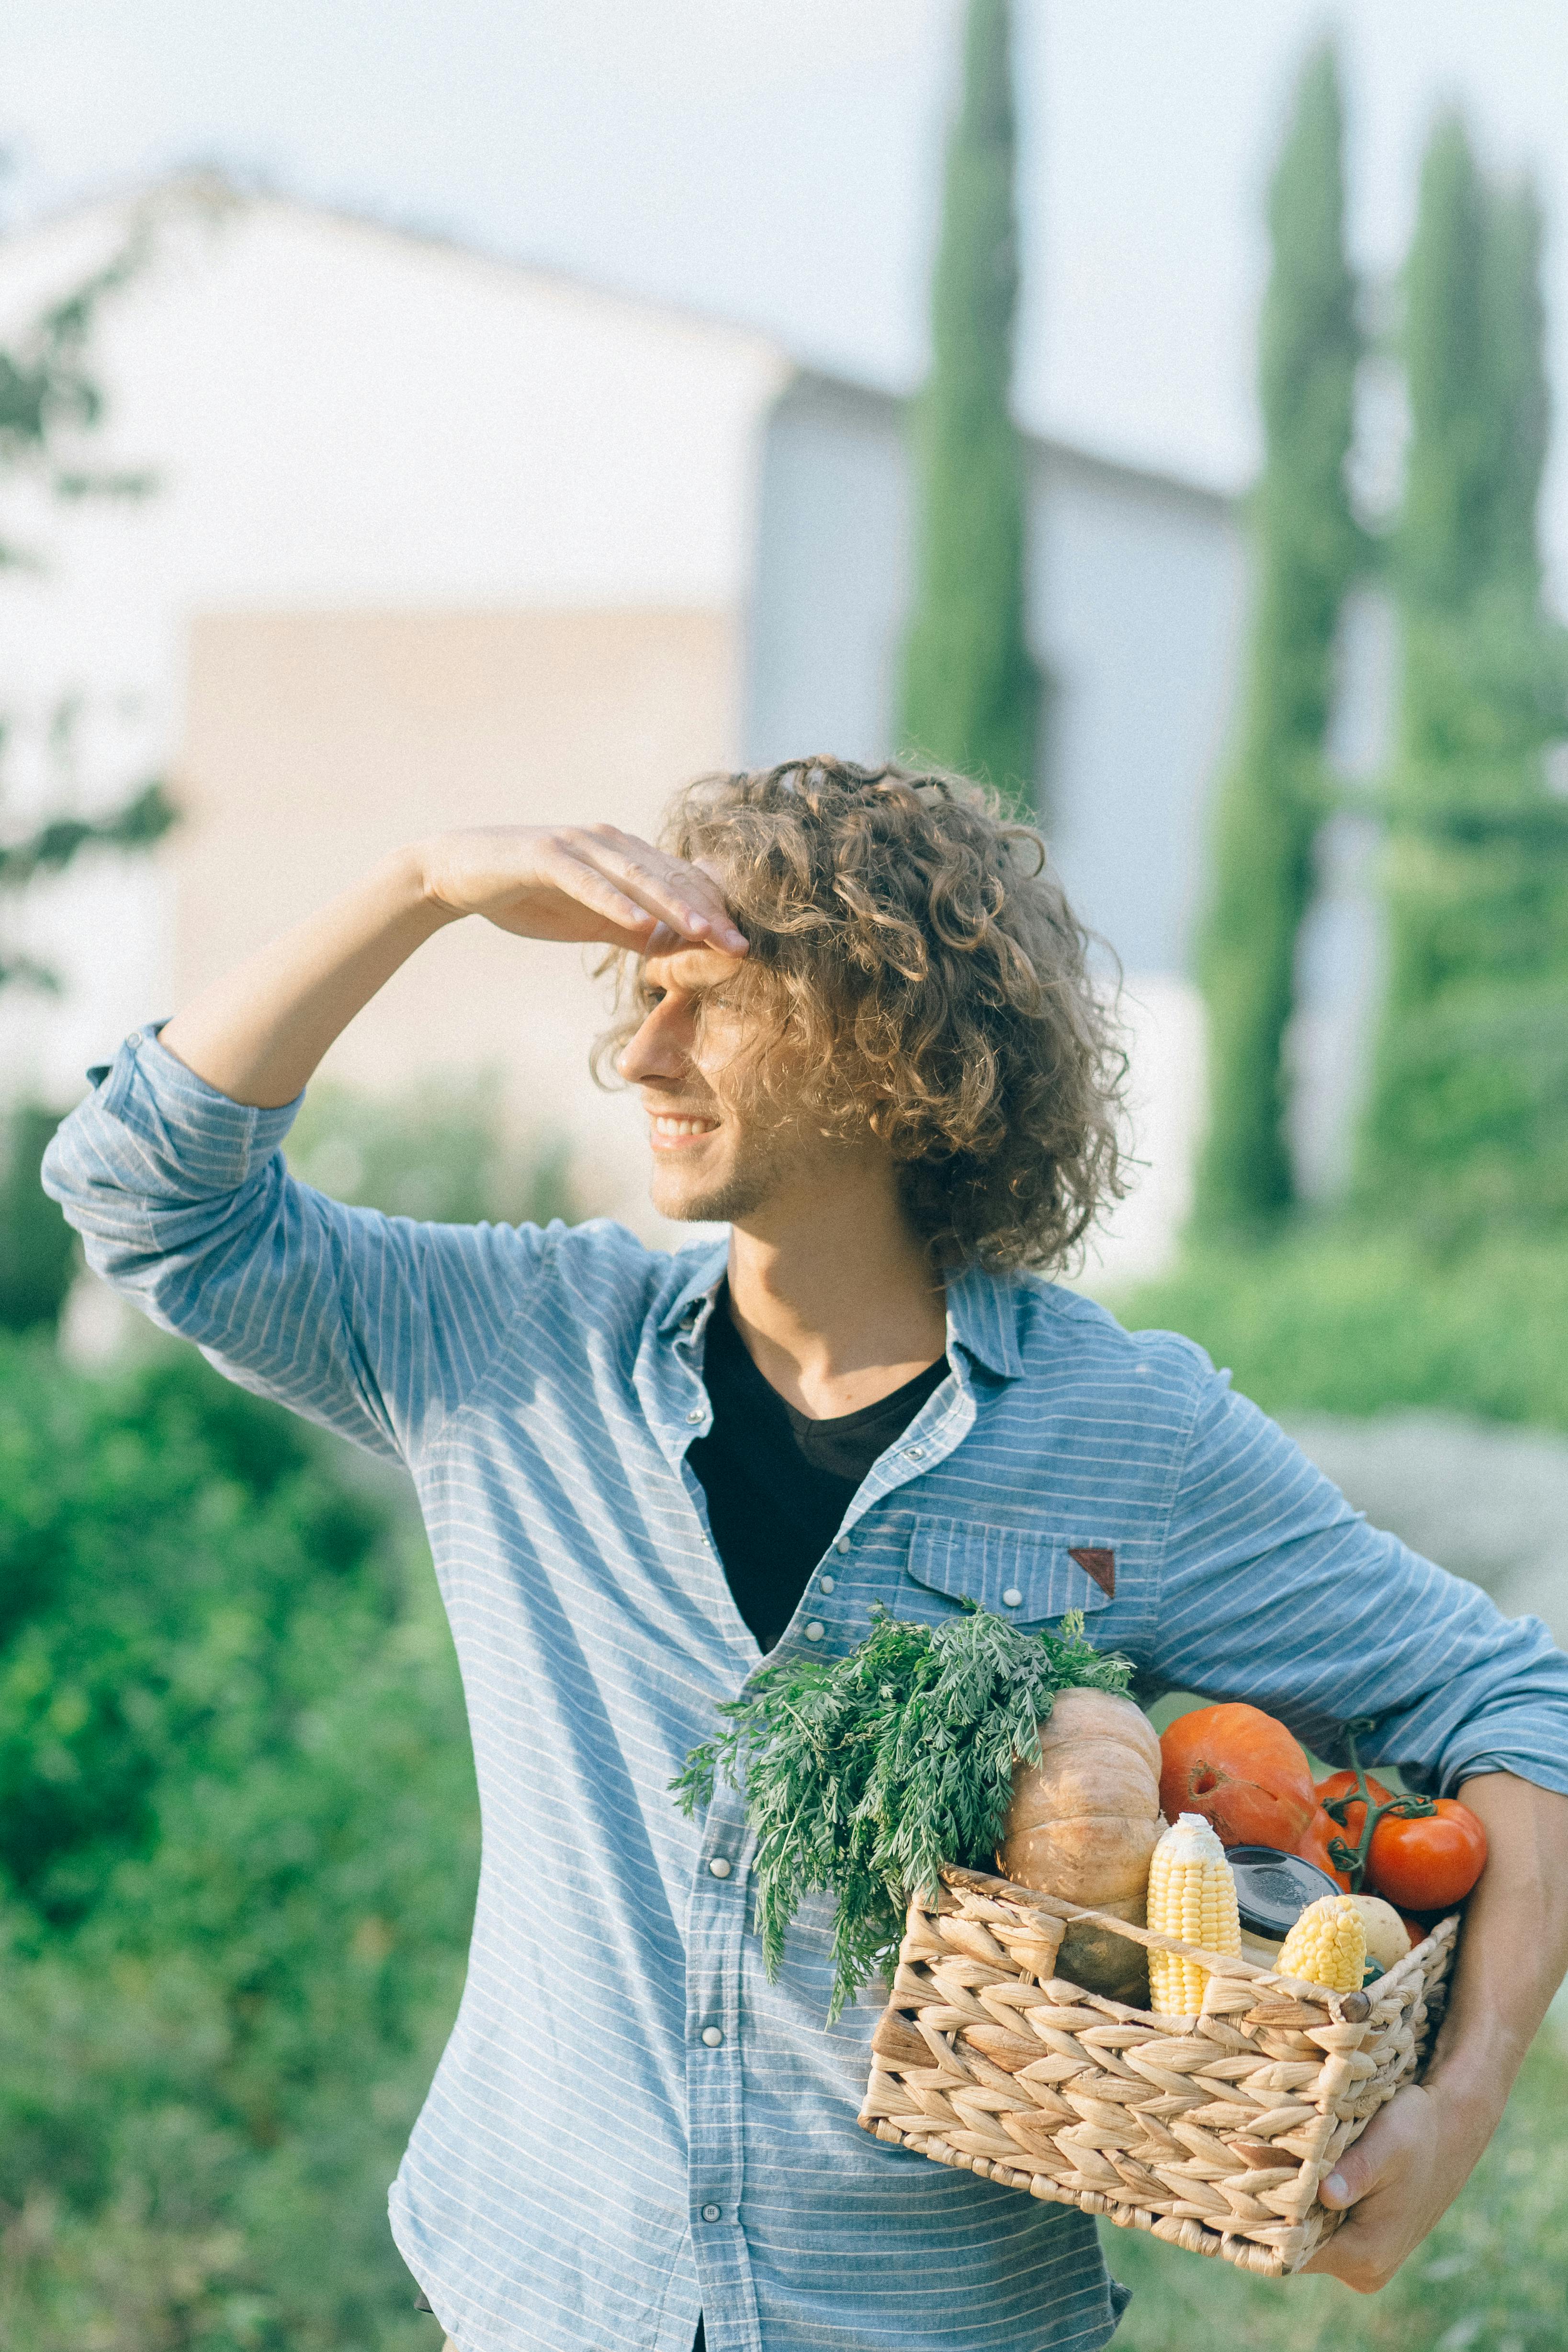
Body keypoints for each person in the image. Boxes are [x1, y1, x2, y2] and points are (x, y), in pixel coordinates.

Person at [44, 757, 1568, 2352]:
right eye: (635, 1000)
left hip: (934, 2320)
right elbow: (143, 1193)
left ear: (903, 1051)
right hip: (544, 2299)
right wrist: (420, 884)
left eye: (705, 1003)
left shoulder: (1133, 1433)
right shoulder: (513, 1354)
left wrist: (1455, 2111)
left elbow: (1515, 1708)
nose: (639, 1053)